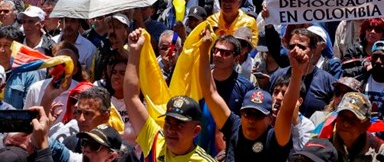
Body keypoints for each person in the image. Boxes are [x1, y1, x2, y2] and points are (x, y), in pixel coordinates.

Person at [199, 27, 304, 162]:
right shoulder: (234, 127)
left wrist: (297, 73)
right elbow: (210, 92)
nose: (251, 120)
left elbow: (287, 110)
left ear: (270, 119)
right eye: (247, 113)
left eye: (258, 115)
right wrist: (203, 51)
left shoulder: (275, 139)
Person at [124, 29, 216, 162]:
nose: (171, 130)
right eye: (168, 122)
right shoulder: (155, 141)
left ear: (195, 131)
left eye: (179, 124)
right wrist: (134, 51)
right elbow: (131, 97)